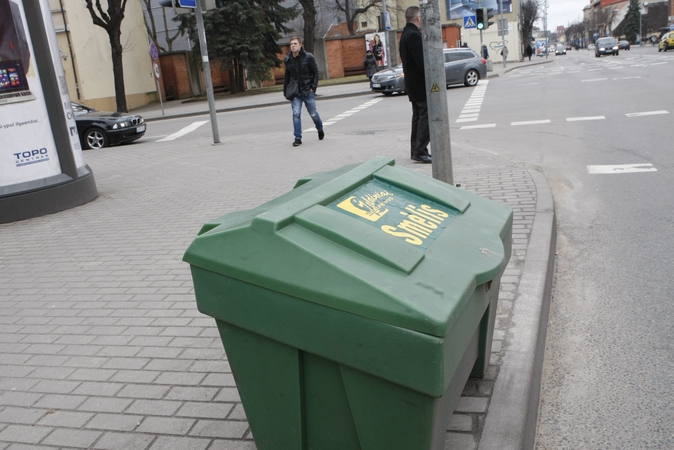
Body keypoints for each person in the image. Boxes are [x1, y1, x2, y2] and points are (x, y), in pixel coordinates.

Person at [399, 6, 431, 164]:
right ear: (418, 18)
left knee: (418, 117)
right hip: (419, 83)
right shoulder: (414, 35)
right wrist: (432, 77)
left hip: (412, 83)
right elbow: (421, 62)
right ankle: (420, 151)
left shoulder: (405, 34)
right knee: (425, 117)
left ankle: (416, 150)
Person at [283, 35, 324, 147]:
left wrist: (313, 87)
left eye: (295, 43)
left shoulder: (308, 57)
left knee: (313, 114)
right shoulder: (288, 59)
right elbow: (287, 76)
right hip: (295, 92)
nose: (293, 46)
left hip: (307, 91)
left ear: (300, 45)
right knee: (296, 114)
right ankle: (297, 138)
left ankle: (320, 128)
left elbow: (316, 72)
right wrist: (286, 91)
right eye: (291, 44)